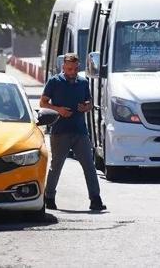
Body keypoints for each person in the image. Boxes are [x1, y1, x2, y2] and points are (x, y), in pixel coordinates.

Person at [41, 53, 106, 211]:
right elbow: (43, 102)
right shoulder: (54, 82)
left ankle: (95, 199)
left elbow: (89, 102)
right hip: (60, 131)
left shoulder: (83, 82)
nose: (72, 72)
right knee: (56, 166)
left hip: (80, 131)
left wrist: (86, 107)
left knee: (89, 166)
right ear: (63, 67)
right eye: (69, 69)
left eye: (76, 69)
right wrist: (59, 110)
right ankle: (49, 197)